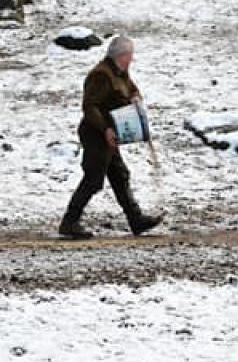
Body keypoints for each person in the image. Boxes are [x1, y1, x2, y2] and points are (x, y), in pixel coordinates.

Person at [59, 35, 163, 239]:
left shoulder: (119, 72)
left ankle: (136, 220)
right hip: (96, 133)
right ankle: (69, 222)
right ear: (121, 55)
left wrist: (135, 98)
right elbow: (90, 106)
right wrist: (105, 129)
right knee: (93, 179)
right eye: (130, 55)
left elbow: (131, 89)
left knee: (119, 175)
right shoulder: (101, 75)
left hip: (111, 134)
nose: (131, 59)